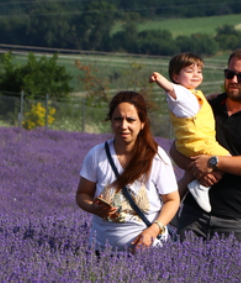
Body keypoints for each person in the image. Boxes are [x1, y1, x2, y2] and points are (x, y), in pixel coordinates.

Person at [171, 47, 241, 244]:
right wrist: (199, 169)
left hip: (235, 217)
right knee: (183, 271)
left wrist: (213, 161)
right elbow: (176, 148)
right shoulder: (207, 105)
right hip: (194, 212)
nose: (234, 80)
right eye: (230, 74)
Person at [76, 91, 180, 253]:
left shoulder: (156, 157)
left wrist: (153, 230)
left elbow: (172, 200)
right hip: (100, 252)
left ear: (142, 123)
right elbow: (82, 194)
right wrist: (94, 208)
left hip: (147, 253)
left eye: (131, 120)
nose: (123, 126)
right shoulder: (97, 154)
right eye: (118, 119)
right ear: (111, 121)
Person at [150, 52, 230, 213]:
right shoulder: (180, 93)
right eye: (189, 71)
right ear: (176, 77)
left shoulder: (192, 94)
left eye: (199, 71)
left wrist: (211, 98)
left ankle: (166, 210)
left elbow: (194, 104)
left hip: (191, 142)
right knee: (227, 161)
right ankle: (201, 187)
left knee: (189, 175)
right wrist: (159, 79)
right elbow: (171, 89)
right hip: (197, 143)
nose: (196, 75)